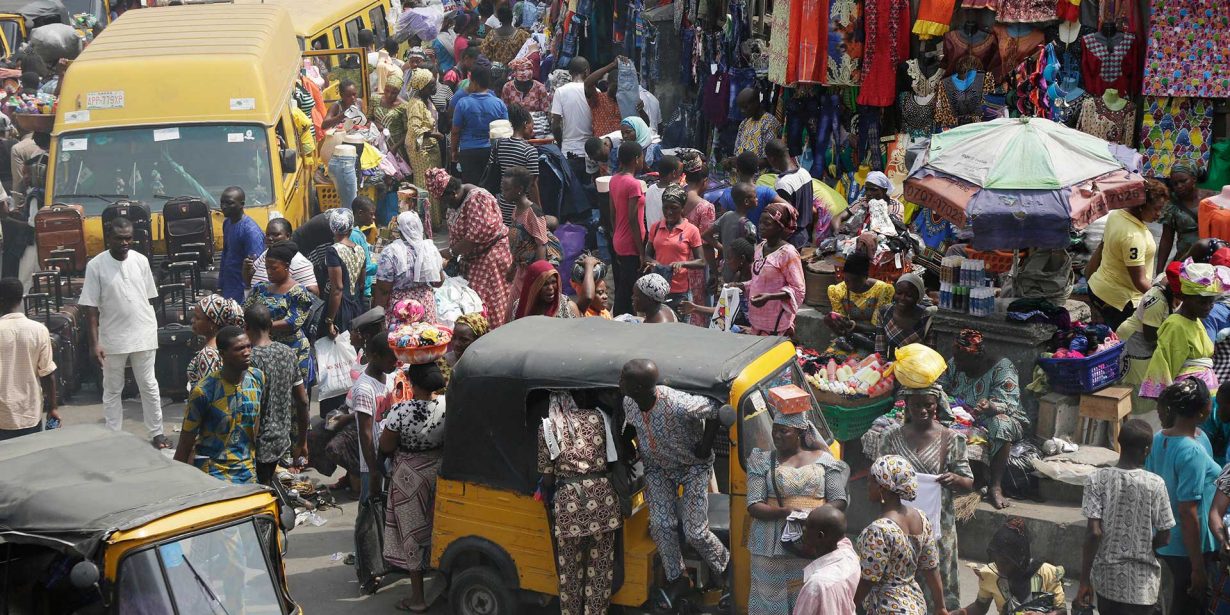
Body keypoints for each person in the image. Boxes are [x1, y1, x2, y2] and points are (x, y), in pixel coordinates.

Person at [620, 359, 729, 591]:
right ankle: (677, 578)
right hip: (657, 469)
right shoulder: (629, 402)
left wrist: (706, 445)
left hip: (692, 468)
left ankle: (725, 568)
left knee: (695, 532)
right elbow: (633, 424)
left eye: (623, 379)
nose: (619, 382)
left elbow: (717, 409)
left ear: (638, 388)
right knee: (660, 525)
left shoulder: (678, 404)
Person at [875, 384, 973, 610]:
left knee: (936, 579)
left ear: (937, 404)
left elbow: (968, 481)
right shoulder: (891, 437)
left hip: (939, 526)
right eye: (917, 404)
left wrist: (954, 479)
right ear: (906, 404)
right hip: (899, 525)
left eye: (928, 404)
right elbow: (879, 475)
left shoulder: (952, 439)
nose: (923, 410)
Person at [746, 412, 850, 614]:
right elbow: (753, 504)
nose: (776, 435)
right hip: (769, 546)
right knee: (769, 601)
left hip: (810, 542)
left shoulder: (825, 460)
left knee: (808, 599)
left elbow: (838, 499)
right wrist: (784, 512)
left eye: (783, 431)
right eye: (774, 430)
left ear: (801, 432)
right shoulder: (762, 461)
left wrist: (814, 517)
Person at [80, 217, 168, 448]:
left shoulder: (141, 261)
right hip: (112, 338)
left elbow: (149, 297)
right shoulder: (95, 266)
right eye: (119, 238)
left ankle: (157, 433)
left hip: (143, 333)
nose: (125, 243)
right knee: (112, 388)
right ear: (109, 238)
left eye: (128, 238)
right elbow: (90, 309)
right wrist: (93, 343)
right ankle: (113, 436)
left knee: (148, 385)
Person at [1075, 419, 1174, 615]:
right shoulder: (1155, 484)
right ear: (1147, 450)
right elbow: (1165, 534)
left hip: (1108, 580)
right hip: (1142, 586)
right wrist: (1149, 548)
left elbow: (1094, 533)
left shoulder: (1097, 479)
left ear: (1119, 442)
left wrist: (1084, 580)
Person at [538, 390, 623, 615]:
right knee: (600, 571)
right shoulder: (598, 418)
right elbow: (612, 459)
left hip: (569, 508)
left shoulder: (547, 427)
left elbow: (547, 477)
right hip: (603, 502)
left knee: (570, 574)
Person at [1146, 377, 1220, 613]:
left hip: (1165, 541)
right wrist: (1197, 567)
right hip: (1188, 548)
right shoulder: (1192, 451)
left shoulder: (1161, 439)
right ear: (1201, 411)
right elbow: (1188, 512)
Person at [380, 361, 448, 613]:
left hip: (409, 476)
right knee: (437, 526)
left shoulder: (401, 411)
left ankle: (417, 597)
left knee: (410, 532)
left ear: (413, 383)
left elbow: (386, 446)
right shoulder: (447, 405)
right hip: (440, 470)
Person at [938, 329, 1025, 510]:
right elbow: (941, 387)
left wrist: (990, 407)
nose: (957, 364)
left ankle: (995, 486)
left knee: (1001, 423)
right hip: (963, 415)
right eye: (955, 357)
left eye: (961, 359)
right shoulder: (955, 363)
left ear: (977, 358)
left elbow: (1009, 403)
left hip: (1000, 418)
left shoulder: (1002, 367)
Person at [854, 455, 945, 615]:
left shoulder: (879, 530)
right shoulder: (921, 518)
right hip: (915, 604)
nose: (867, 486)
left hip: (887, 607)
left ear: (882, 487)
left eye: (871, 481)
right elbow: (931, 567)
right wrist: (940, 606)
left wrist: (848, 605)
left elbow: (868, 579)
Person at [174, 326, 264, 484]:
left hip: (248, 473)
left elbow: (255, 426)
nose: (247, 352)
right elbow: (185, 442)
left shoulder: (257, 378)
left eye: (249, 346)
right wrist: (178, 483)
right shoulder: (204, 391)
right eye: (239, 349)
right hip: (213, 476)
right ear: (222, 354)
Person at [428, 168, 513, 327]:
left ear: (452, 193)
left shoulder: (477, 199)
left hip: (490, 258)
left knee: (486, 301)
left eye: (445, 201)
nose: (446, 205)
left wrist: (450, 252)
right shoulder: (456, 202)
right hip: (472, 258)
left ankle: (491, 333)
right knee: (469, 299)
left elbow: (476, 236)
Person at [1085, 178, 1167, 330]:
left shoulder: (1117, 214)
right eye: (1156, 209)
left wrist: (1088, 274)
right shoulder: (1133, 237)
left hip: (1099, 287)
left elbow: (1103, 245)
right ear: (1141, 205)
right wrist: (1164, 298)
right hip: (1119, 301)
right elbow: (1139, 281)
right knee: (1125, 344)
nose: (1159, 214)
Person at [1139, 259, 1226, 402]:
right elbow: (1164, 367)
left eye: (1212, 301)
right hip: (1188, 401)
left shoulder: (1195, 320)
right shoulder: (1176, 326)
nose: (1209, 306)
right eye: (1203, 302)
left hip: (1202, 398)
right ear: (1185, 298)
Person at [242, 304, 308, 485]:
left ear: (245, 327)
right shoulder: (288, 353)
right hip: (283, 441)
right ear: (271, 324)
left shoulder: (250, 359)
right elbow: (302, 401)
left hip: (259, 445)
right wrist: (302, 442)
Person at [956, 518, 1067, 615]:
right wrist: (960, 613)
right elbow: (980, 607)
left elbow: (1062, 611)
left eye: (1005, 562)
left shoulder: (1047, 573)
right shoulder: (990, 575)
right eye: (996, 560)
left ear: (1020, 558)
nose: (1000, 567)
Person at [244, 242, 316, 390]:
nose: (269, 272)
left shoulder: (299, 292)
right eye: (267, 268)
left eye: (273, 268)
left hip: (292, 351)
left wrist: (261, 326)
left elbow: (293, 322)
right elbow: (245, 310)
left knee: (294, 397)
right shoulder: (260, 288)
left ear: (286, 266)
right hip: (262, 352)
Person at [1117, 261, 1183, 417]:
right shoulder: (1157, 301)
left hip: (1148, 341)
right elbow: (1150, 335)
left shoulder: (1169, 288)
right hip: (1136, 341)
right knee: (1137, 385)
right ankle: (1132, 424)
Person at [0, 277, 56, 440]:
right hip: (30, 413)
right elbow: (48, 373)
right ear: (21, 298)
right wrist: (53, 408)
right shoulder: (39, 330)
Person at [741, 201, 807, 336]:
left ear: (779, 227)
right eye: (760, 222)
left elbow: (798, 290)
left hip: (776, 323)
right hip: (757, 319)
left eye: (767, 224)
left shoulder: (788, 253)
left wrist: (769, 297)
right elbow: (759, 282)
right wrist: (741, 285)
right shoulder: (760, 248)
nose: (761, 227)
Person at [374, 211, 444, 328]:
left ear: (400, 231)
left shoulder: (391, 252)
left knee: (402, 341)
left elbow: (383, 289)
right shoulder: (430, 249)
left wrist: (377, 316)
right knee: (424, 340)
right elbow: (438, 282)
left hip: (401, 310)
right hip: (425, 307)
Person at [644, 184, 705, 313]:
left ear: (682, 208)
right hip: (658, 288)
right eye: (665, 208)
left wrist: (682, 263)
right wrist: (653, 262)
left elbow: (701, 261)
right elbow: (647, 255)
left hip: (679, 291)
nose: (669, 212)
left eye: (674, 208)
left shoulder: (691, 230)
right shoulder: (655, 228)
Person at [825, 251, 898, 353]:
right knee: (830, 357)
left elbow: (876, 327)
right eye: (847, 280)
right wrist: (834, 323)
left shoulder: (883, 290)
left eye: (856, 281)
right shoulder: (837, 291)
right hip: (849, 338)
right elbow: (842, 327)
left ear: (866, 276)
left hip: (874, 340)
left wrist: (851, 324)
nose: (851, 285)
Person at [793, 506, 860, 615]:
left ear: (820, 536)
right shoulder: (850, 556)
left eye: (808, 525)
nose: (803, 528)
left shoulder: (816, 585)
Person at [451, 64, 509, 185]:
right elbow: (505, 130)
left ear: (475, 83)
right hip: (492, 151)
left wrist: (454, 151)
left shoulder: (463, 103)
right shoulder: (499, 104)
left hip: (468, 151)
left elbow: (455, 131)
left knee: (471, 188)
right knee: (490, 188)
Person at [833, 172, 907, 262]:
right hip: (858, 244)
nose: (868, 193)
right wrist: (837, 231)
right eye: (867, 189)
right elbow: (838, 217)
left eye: (873, 190)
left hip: (880, 246)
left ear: (884, 190)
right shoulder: (863, 202)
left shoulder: (894, 206)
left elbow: (891, 230)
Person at [609, 141, 647, 316]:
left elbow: (613, 213)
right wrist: (641, 251)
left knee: (623, 284)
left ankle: (619, 316)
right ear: (636, 159)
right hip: (631, 242)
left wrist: (614, 237)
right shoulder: (634, 184)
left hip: (619, 238)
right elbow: (633, 219)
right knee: (631, 290)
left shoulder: (614, 179)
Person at [319, 208, 368, 340]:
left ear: (332, 229)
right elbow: (362, 282)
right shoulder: (360, 249)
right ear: (350, 229)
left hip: (339, 308)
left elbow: (337, 289)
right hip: (356, 305)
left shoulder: (333, 251)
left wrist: (329, 320)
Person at [487, 104, 541, 215]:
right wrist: (539, 211)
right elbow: (532, 185)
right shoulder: (529, 151)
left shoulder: (498, 144)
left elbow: (491, 166)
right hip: (522, 208)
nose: (533, 130)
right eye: (532, 125)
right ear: (525, 124)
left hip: (503, 205)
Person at [682, 157, 717, 325]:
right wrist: (715, 272)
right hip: (697, 265)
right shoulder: (706, 207)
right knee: (697, 308)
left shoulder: (675, 198)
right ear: (705, 181)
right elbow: (707, 244)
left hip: (676, 260)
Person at [246, 218, 319, 296]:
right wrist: (246, 269)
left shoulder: (298, 260)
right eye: (267, 235)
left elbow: (313, 292)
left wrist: (283, 303)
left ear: (288, 236)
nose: (270, 238)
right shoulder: (266, 254)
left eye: (276, 235)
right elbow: (249, 281)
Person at [715, 151, 789, 225]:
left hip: (733, 236)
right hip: (760, 236)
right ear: (757, 170)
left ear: (737, 170)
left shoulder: (728, 193)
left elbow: (723, 223)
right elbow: (788, 207)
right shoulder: (766, 192)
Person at [187, 294, 245, 389]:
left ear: (212, 323)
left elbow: (209, 393)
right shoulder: (229, 345)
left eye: (198, 318)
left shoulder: (208, 354)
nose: (192, 320)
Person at [875, 273, 936, 361]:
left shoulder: (926, 319)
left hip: (917, 369)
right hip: (891, 368)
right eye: (899, 293)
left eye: (909, 295)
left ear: (918, 297)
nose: (902, 298)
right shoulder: (884, 312)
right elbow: (880, 351)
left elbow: (930, 355)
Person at [219, 186, 266, 301]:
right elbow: (225, 255)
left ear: (242, 204)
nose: (223, 207)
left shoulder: (250, 231)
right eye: (222, 202)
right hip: (229, 288)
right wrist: (220, 285)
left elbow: (256, 267)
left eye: (229, 203)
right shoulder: (227, 223)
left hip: (242, 292)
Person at [708, 182, 759, 285]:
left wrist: (723, 248)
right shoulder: (749, 226)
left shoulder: (727, 215)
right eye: (755, 197)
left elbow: (706, 235)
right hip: (740, 276)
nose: (757, 199)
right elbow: (752, 255)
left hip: (726, 271)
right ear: (746, 201)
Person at [767, 140, 815, 248]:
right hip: (805, 235)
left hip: (791, 239)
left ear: (772, 159)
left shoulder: (783, 183)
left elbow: (786, 218)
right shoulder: (805, 173)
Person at [1157, 164, 1201, 272]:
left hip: (1211, 257)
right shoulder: (1172, 206)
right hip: (1186, 260)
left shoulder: (1211, 198)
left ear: (1194, 179)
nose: (1179, 186)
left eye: (1183, 181)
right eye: (1175, 184)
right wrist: (1159, 270)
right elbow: (1167, 239)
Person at [513, 260, 577, 319]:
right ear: (534, 287)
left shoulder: (566, 306)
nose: (550, 288)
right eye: (545, 284)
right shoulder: (520, 306)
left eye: (553, 282)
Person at [583, 57, 625, 138]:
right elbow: (588, 83)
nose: (618, 90)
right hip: (601, 145)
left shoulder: (625, 102)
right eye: (615, 86)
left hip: (619, 145)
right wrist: (612, 65)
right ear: (607, 84)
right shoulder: (599, 98)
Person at [735, 87, 782, 158]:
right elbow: (737, 151)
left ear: (756, 102)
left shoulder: (769, 123)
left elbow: (769, 160)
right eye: (741, 108)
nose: (742, 111)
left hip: (759, 169)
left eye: (745, 107)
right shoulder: (744, 123)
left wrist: (742, 163)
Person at [351, 196, 379, 302]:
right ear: (360, 213)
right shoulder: (354, 236)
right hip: (361, 292)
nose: (374, 217)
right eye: (371, 214)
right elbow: (360, 268)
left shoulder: (358, 233)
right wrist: (380, 266)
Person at [645, 154, 681, 230]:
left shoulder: (650, 189)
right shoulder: (673, 193)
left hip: (651, 234)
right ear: (674, 173)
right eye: (679, 172)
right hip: (664, 236)